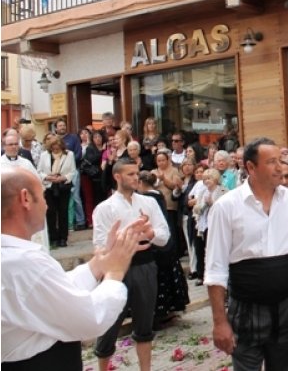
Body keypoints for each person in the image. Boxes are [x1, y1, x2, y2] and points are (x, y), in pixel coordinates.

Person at [1, 166, 149, 370]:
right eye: (42, 195)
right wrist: (115, 272)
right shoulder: (22, 261)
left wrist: (99, 263)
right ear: (25, 199)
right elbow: (90, 320)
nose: (46, 204)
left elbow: (53, 292)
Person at [204, 137, 288, 371]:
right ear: (250, 167)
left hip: (287, 309)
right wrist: (220, 322)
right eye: (271, 162)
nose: (280, 167)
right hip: (245, 309)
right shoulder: (226, 207)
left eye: (281, 160)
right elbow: (215, 269)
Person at [92, 158, 171, 371]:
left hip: (145, 265)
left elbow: (164, 237)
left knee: (145, 323)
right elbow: (99, 245)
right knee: (109, 323)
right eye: (130, 174)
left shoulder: (149, 203)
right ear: (117, 177)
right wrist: (126, 236)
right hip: (117, 268)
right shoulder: (104, 208)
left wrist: (150, 233)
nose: (136, 178)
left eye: (137, 173)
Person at [136, 171, 189, 329]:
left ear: (141, 183)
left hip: (158, 241)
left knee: (160, 277)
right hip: (163, 239)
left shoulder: (149, 198)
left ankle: (160, 314)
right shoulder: (157, 195)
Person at [37, 136, 76, 248]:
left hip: (63, 186)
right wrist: (48, 177)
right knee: (51, 212)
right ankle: (53, 238)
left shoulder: (69, 154)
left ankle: (63, 238)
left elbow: (72, 172)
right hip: (49, 187)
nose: (55, 149)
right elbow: (39, 171)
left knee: (63, 212)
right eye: (53, 148)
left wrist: (63, 178)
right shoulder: (44, 155)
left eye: (58, 148)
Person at [55, 119, 85, 231]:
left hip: (73, 171)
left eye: (64, 125)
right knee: (62, 198)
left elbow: (79, 153)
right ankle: (66, 223)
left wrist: (68, 162)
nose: (62, 127)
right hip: (57, 172)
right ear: (56, 128)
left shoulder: (73, 138)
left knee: (75, 196)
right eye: (60, 125)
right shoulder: (54, 139)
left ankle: (80, 221)